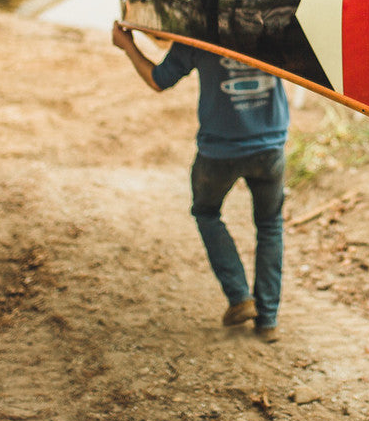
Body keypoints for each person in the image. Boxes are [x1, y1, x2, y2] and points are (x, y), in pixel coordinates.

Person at [112, 22, 288, 342]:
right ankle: (268, 320)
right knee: (270, 225)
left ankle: (239, 297)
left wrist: (128, 45)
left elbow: (158, 80)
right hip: (270, 146)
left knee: (206, 212)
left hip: (219, 150)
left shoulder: (200, 31)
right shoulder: (275, 25)